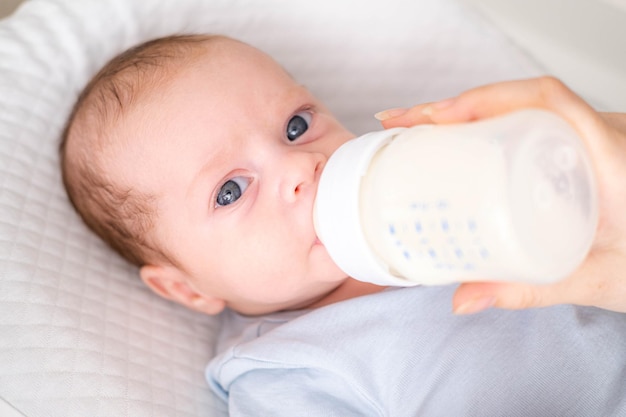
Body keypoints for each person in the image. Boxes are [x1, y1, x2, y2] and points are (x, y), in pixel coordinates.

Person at [60, 34, 626, 415]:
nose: (300, 167)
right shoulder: (285, 368)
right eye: (230, 190)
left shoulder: (430, 185)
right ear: (187, 287)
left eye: (296, 125)